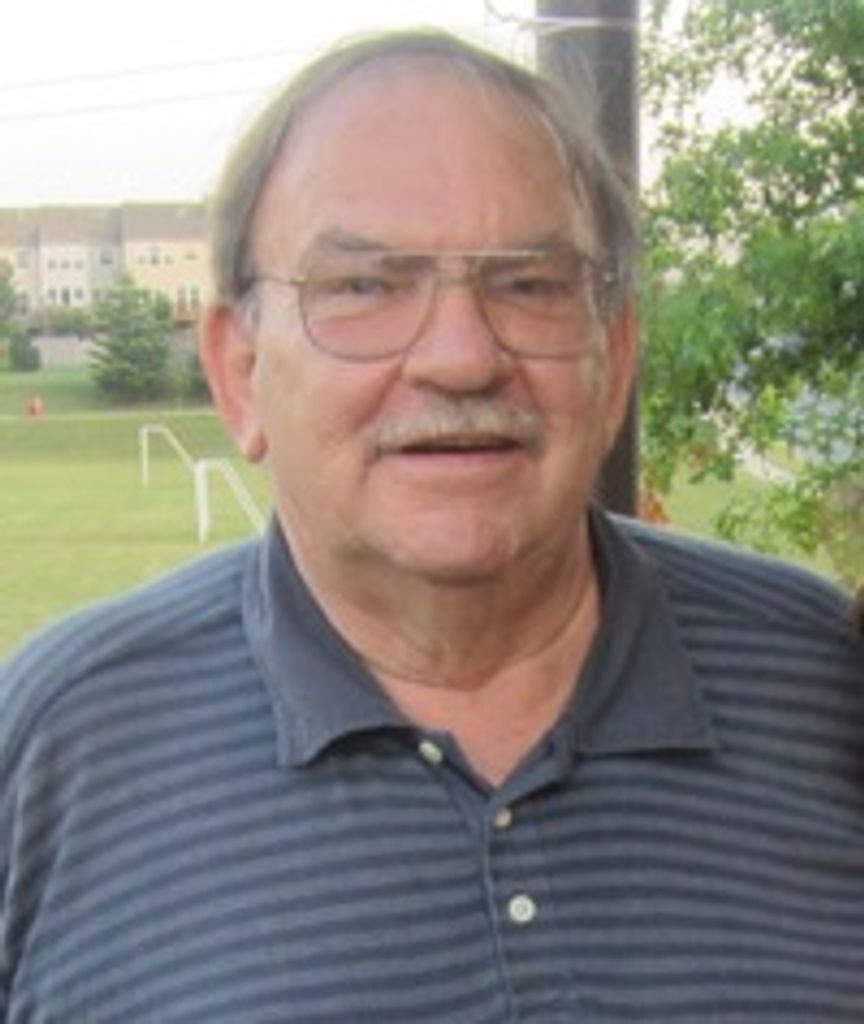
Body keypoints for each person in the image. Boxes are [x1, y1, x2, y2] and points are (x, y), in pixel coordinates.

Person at [1, 29, 862, 1024]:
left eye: (528, 284)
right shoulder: (56, 750)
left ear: (617, 356)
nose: (461, 356)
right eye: (364, 287)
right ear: (240, 373)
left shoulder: (829, 687)